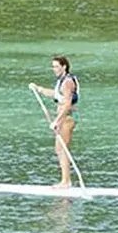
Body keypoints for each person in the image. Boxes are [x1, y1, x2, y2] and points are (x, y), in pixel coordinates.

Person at [29, 55, 79, 187]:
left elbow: (67, 104)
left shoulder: (67, 82)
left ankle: (66, 181)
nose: (54, 69)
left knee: (62, 148)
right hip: (63, 118)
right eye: (53, 67)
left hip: (67, 118)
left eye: (57, 66)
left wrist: (57, 121)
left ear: (64, 67)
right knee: (59, 149)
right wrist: (39, 89)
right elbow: (55, 94)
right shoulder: (61, 81)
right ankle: (65, 180)